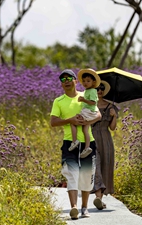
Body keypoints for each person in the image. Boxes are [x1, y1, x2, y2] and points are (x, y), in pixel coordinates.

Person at [50, 69, 102, 220]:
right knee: (71, 175)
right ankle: (74, 207)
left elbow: (98, 115)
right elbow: (53, 122)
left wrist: (87, 122)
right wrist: (70, 120)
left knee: (86, 176)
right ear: (61, 84)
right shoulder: (58, 101)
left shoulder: (85, 95)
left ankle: (84, 207)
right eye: (62, 79)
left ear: (75, 81)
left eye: (69, 78)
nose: (66, 81)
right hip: (69, 143)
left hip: (88, 143)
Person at [91, 80, 119, 210]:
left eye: (102, 88)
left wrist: (114, 116)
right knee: (95, 167)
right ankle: (98, 197)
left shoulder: (111, 107)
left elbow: (112, 128)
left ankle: (99, 199)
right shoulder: (89, 105)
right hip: (91, 137)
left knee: (105, 167)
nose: (100, 90)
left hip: (106, 138)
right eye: (97, 88)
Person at [68, 69, 101, 159]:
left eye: (88, 81)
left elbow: (93, 102)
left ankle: (74, 141)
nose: (85, 83)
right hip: (88, 111)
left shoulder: (93, 91)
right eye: (84, 81)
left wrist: (83, 100)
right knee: (85, 129)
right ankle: (87, 147)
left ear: (93, 82)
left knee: (73, 121)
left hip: (89, 112)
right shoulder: (87, 91)